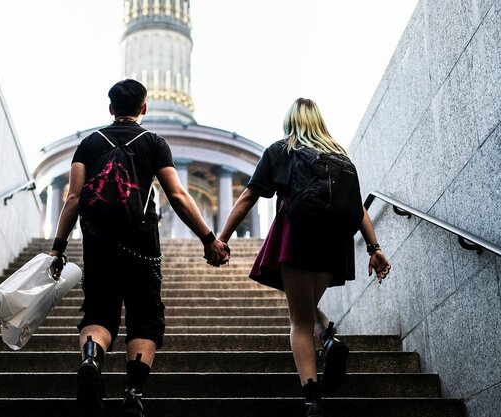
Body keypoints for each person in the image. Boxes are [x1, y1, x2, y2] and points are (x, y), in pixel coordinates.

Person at [48, 79, 230, 417]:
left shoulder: (89, 144)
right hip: (141, 242)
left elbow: (73, 198)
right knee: (145, 317)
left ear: (110, 108)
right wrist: (209, 238)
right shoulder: (154, 143)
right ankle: (133, 393)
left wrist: (58, 248)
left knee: (99, 311)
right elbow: (177, 194)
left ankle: (91, 359)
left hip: (98, 240)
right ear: (143, 108)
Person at [217, 98, 392, 417]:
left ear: (290, 122)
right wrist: (374, 248)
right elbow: (359, 208)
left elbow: (249, 196)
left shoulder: (281, 150)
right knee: (306, 306)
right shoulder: (340, 156)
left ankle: (312, 397)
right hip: (334, 243)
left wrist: (222, 238)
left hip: (297, 237)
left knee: (298, 320)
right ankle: (326, 335)